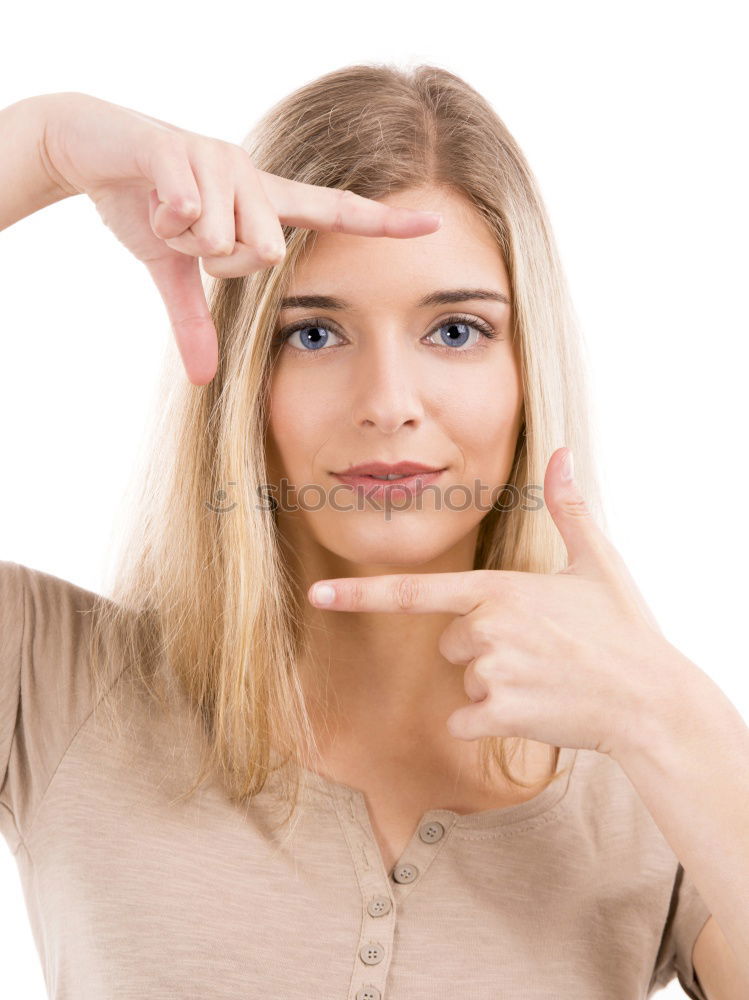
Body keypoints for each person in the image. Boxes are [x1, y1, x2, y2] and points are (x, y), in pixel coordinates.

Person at [0, 66, 742, 999]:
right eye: (313, 334)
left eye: (456, 330)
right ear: (239, 379)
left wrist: (672, 717)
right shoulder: (55, 684)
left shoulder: (657, 786)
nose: (388, 405)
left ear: (527, 371)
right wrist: (42, 146)